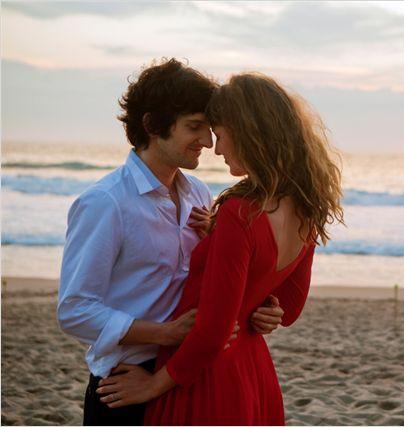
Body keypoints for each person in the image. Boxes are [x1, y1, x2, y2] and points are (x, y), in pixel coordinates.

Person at [94, 73, 344, 425]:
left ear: (248, 134)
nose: (217, 146)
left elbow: (212, 331)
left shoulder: (239, 212)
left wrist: (153, 386)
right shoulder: (306, 209)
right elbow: (288, 308)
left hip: (207, 376)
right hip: (251, 368)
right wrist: (261, 303)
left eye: (222, 134)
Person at [57, 59, 285, 426]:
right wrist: (165, 332)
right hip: (128, 381)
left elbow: (213, 279)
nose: (208, 142)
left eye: (210, 129)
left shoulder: (198, 193)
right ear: (151, 125)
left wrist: (262, 305)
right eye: (194, 127)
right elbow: (75, 310)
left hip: (186, 373)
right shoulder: (106, 202)